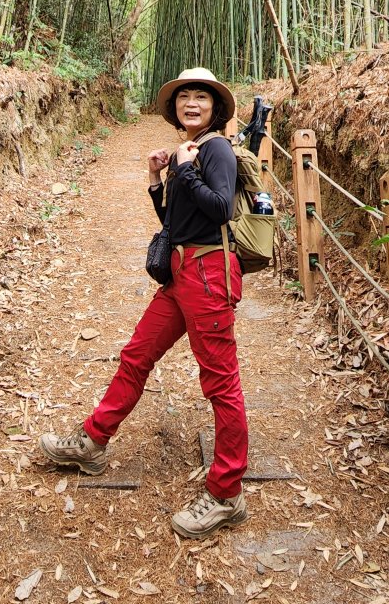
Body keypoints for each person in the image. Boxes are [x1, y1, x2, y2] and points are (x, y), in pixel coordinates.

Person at [39, 67, 249, 540]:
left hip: (208, 273)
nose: (191, 103)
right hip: (181, 272)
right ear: (174, 107)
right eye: (184, 96)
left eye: (201, 96)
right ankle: (92, 441)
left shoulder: (214, 148)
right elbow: (175, 219)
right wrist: (159, 177)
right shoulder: (188, 152)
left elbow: (219, 208)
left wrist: (188, 167)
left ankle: (227, 493)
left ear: (215, 107)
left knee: (220, 381)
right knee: (137, 355)